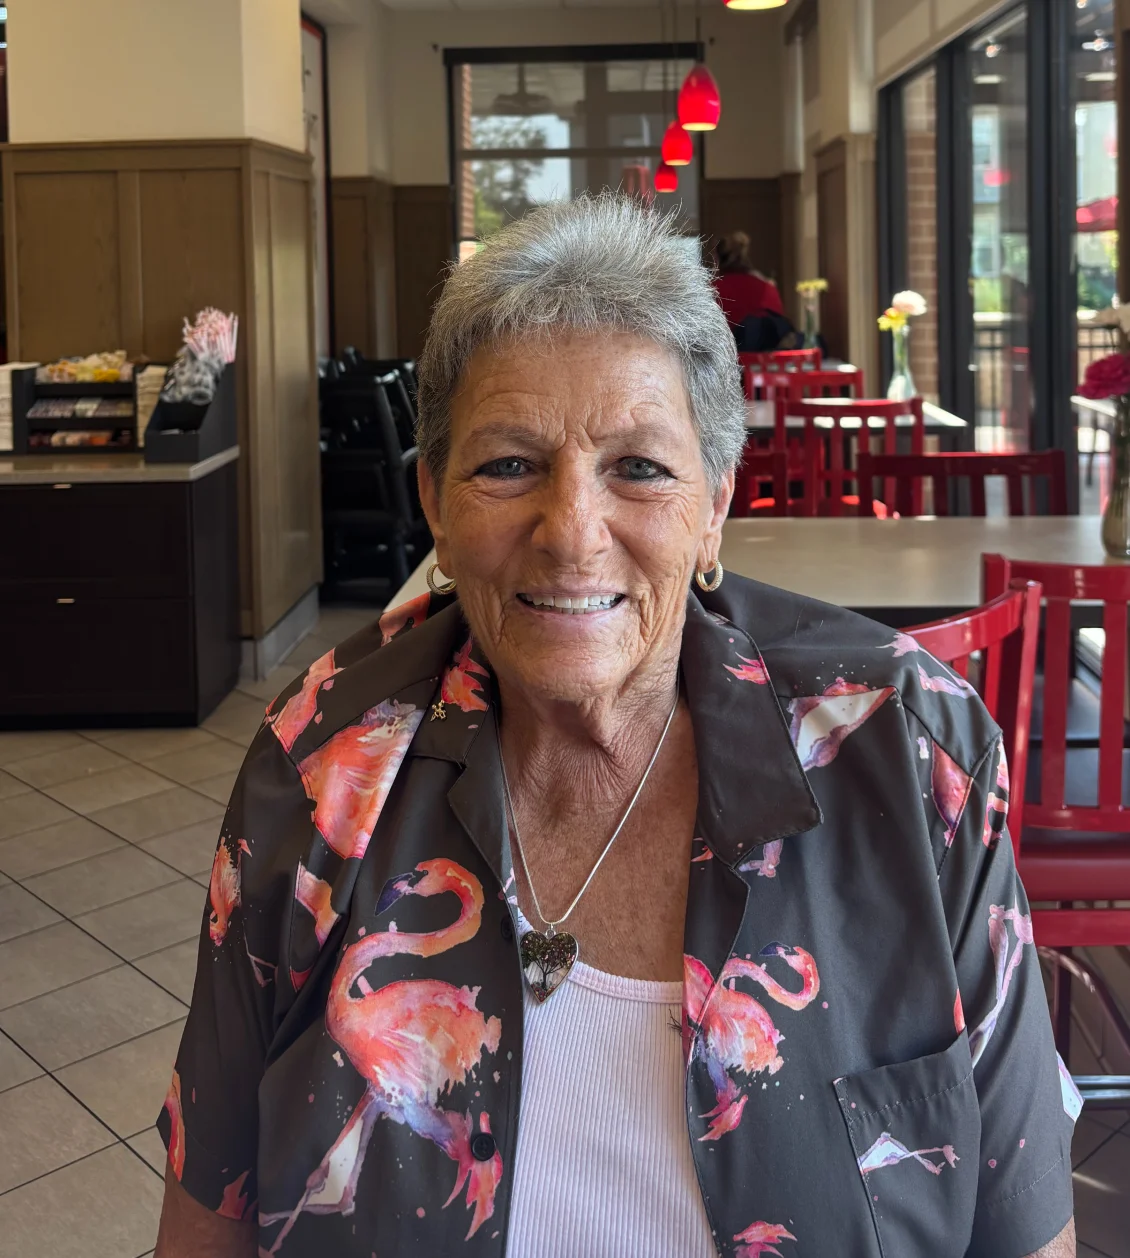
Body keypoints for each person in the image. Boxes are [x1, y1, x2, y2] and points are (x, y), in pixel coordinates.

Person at [154, 195, 1078, 1258]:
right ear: (436, 510)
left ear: (714, 506)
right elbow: (207, 1221)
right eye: (507, 465)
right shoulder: (321, 768)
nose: (571, 533)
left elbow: (1025, 1233)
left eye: (637, 466)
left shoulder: (910, 756)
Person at [711, 230, 786, 338]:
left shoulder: (712, 290)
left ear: (717, 259)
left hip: (727, 352)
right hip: (766, 353)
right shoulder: (768, 288)